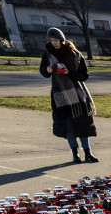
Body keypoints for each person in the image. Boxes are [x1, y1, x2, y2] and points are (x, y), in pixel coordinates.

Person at [39, 27, 98, 163]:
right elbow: (43, 72)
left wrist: (68, 72)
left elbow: (84, 75)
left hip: (77, 93)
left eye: (56, 40)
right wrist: (48, 69)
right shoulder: (47, 54)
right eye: (51, 40)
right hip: (59, 95)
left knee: (82, 124)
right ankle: (74, 154)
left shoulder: (74, 53)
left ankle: (88, 153)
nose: (54, 42)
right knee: (68, 127)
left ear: (62, 39)